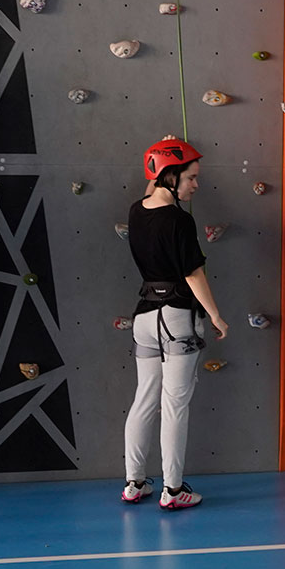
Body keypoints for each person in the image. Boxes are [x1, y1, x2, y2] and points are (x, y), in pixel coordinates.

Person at [122, 137, 230, 511]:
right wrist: (215, 315)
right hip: (177, 318)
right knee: (174, 406)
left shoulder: (137, 210)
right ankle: (172, 490)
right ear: (170, 177)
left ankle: (134, 483)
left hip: (144, 317)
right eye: (191, 177)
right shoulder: (180, 220)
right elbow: (193, 274)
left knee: (144, 400)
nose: (196, 185)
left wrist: (163, 154)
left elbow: (150, 192)